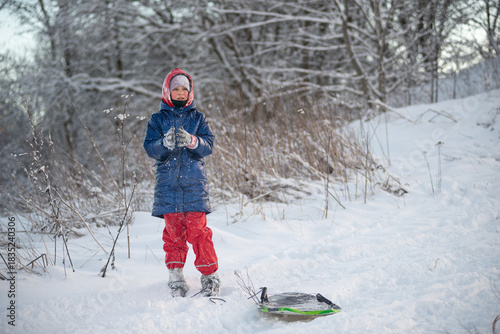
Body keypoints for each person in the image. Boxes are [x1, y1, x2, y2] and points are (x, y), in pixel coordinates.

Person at [143, 68, 219, 297]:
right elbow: (150, 148)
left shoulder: (198, 118)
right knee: (173, 236)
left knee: (199, 234)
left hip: (194, 187)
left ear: (190, 92)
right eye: (175, 89)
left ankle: (210, 275)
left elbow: (208, 146)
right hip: (168, 188)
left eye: (183, 89)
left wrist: (192, 141)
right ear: (167, 91)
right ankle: (176, 277)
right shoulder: (157, 119)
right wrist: (164, 143)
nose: (179, 93)